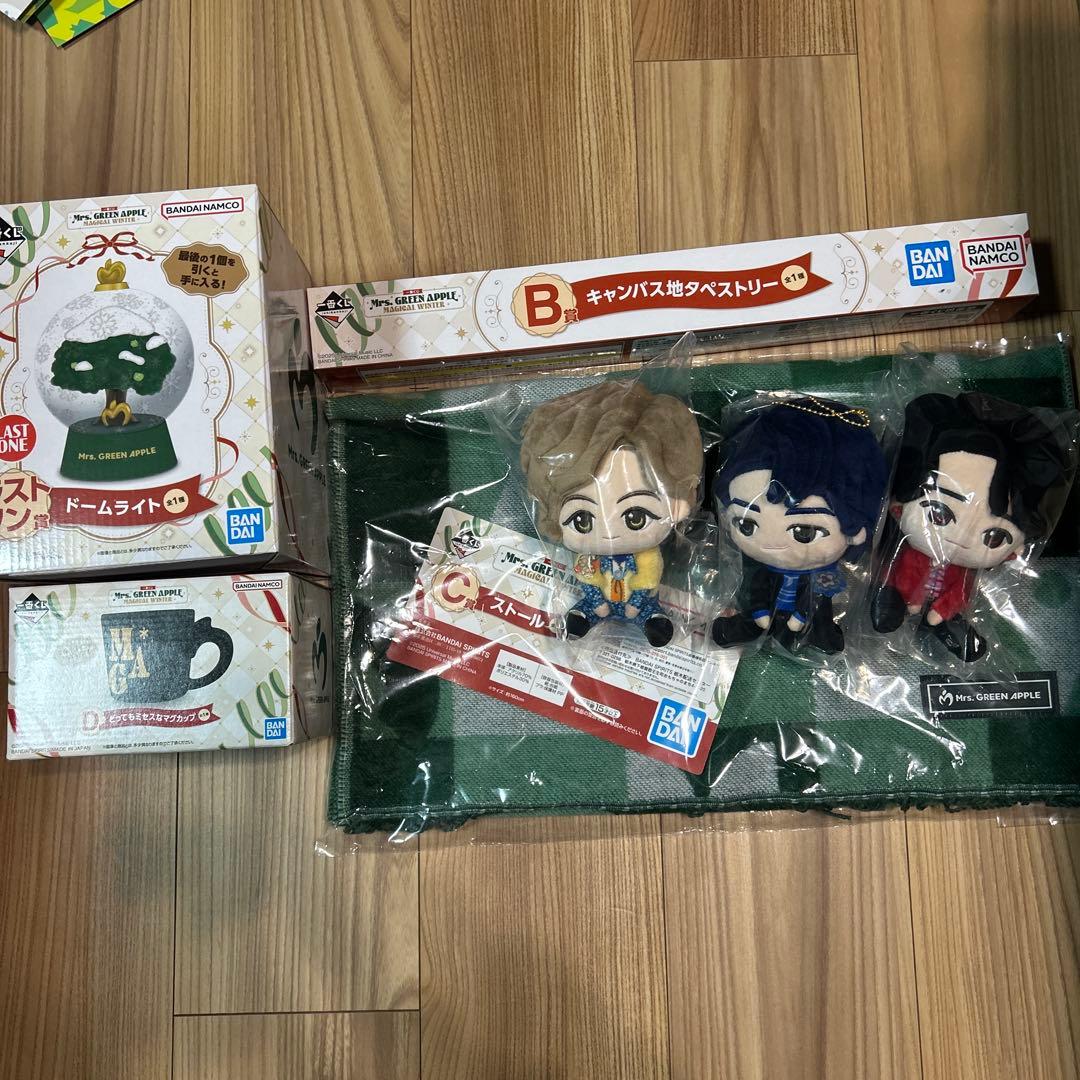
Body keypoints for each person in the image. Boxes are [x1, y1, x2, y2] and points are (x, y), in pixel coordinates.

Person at [871, 391, 1074, 661]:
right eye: (939, 514)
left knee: (938, 619)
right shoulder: (908, 552)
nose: (961, 536)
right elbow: (895, 572)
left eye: (993, 537)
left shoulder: (965, 574)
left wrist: (940, 611)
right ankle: (918, 617)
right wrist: (899, 596)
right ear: (898, 508)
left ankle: (941, 627)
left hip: (935, 608)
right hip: (905, 600)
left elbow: (960, 593)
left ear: (1015, 551)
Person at [520, 380, 703, 647]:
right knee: (585, 608)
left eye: (635, 517)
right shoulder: (589, 559)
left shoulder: (647, 555)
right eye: (582, 520)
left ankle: (651, 621)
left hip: (638, 604)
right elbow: (589, 581)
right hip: (600, 601)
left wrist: (634, 606)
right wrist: (598, 603)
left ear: (678, 507)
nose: (609, 533)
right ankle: (585, 617)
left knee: (650, 611)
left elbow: (646, 581)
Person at [711, 395, 888, 655]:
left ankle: (818, 631)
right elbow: (757, 590)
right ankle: (752, 626)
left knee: (819, 609)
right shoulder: (761, 568)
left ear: (855, 528)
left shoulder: (822, 576)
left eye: (804, 531)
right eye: (747, 525)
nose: (772, 543)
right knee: (755, 601)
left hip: (804, 614)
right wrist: (759, 613)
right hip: (765, 613)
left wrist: (801, 617)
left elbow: (813, 599)